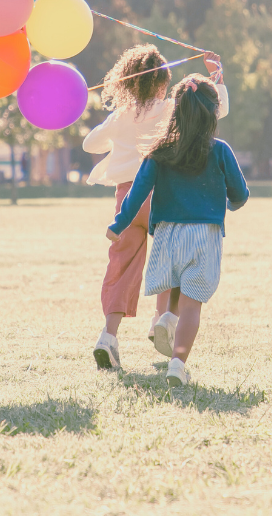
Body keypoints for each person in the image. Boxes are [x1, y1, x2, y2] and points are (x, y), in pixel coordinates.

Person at [83, 45, 228, 370]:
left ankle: (108, 336)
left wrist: (116, 125)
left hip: (127, 201)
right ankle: (162, 319)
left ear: (127, 83)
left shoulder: (120, 116)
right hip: (163, 195)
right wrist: (216, 76)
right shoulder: (169, 109)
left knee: (121, 267)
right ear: (163, 83)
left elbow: (89, 144)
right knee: (175, 261)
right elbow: (217, 110)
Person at [106, 75, 249, 386]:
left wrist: (118, 224)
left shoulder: (160, 150)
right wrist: (230, 203)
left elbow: (137, 193)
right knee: (192, 306)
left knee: (175, 282)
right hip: (204, 235)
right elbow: (240, 193)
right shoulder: (220, 150)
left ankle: (167, 318)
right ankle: (177, 364)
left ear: (176, 112)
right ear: (213, 114)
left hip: (168, 234)